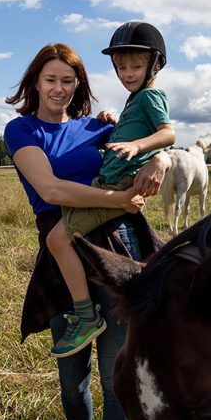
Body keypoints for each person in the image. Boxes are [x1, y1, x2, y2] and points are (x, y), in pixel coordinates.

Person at [3, 43, 171, 420]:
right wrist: (119, 197)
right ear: (35, 82)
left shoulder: (99, 126)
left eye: (69, 81)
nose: (60, 89)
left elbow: (152, 139)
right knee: (71, 378)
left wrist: (162, 161)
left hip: (117, 250)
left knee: (118, 370)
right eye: (52, 79)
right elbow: (51, 190)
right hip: (62, 256)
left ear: (79, 86)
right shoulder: (22, 130)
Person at [48, 22, 174, 357]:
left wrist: (139, 147)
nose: (127, 73)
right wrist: (113, 124)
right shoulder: (135, 99)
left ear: (155, 65)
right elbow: (128, 135)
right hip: (109, 182)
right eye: (120, 67)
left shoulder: (150, 96)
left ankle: (86, 315)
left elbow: (167, 134)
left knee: (57, 238)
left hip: (118, 187)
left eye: (135, 66)